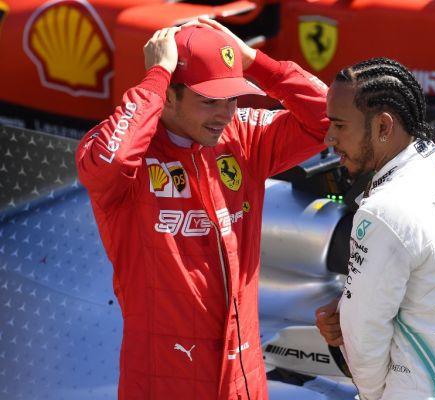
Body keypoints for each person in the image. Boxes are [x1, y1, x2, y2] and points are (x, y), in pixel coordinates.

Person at [76, 18, 328, 400]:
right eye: (209, 100)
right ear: (168, 96)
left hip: (243, 375)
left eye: (232, 98)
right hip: (162, 379)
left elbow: (329, 117)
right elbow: (111, 162)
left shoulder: (244, 136)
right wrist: (156, 76)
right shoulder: (125, 153)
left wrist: (257, 63)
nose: (224, 114)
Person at [316, 57, 435, 399]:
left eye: (339, 125)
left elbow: (363, 335)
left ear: (383, 127)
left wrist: (371, 394)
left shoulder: (384, 211)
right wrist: (354, 298)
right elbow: (434, 275)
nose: (329, 138)